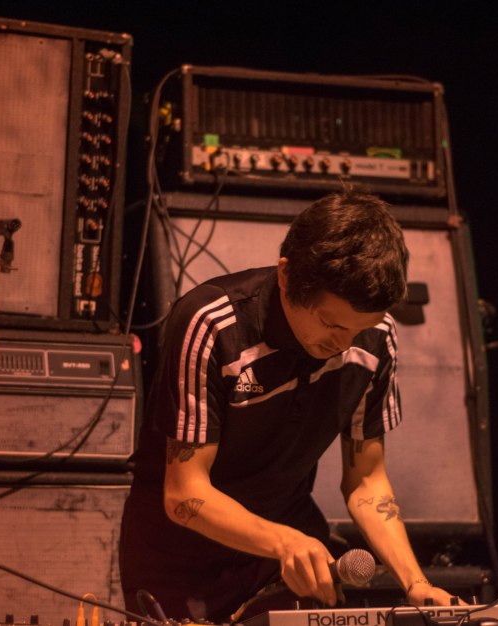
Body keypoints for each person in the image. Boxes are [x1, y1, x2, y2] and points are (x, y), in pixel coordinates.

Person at [119, 189, 456, 623]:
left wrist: (416, 583)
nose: (344, 344)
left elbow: (367, 481)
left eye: (359, 329)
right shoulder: (213, 324)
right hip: (178, 557)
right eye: (330, 323)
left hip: (284, 551)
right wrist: (284, 542)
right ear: (286, 276)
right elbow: (185, 493)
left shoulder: (377, 338)